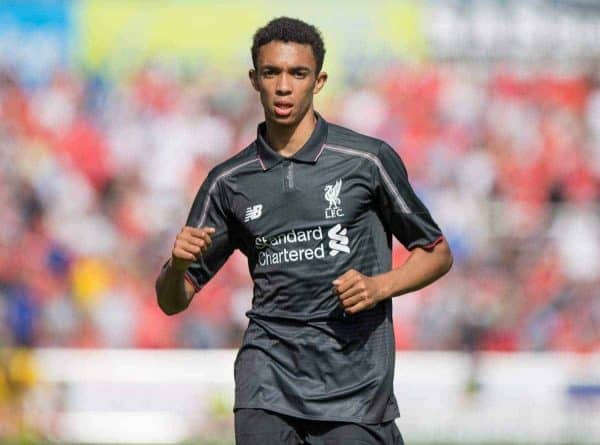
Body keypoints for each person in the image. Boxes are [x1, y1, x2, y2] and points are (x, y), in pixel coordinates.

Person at [156, 16, 453, 445]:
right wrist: (177, 264)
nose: (283, 86)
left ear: (319, 80)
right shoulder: (228, 181)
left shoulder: (366, 160)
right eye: (272, 72)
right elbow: (173, 300)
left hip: (354, 388)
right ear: (254, 79)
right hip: (266, 382)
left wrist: (379, 286)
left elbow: (436, 251)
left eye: (298, 73)